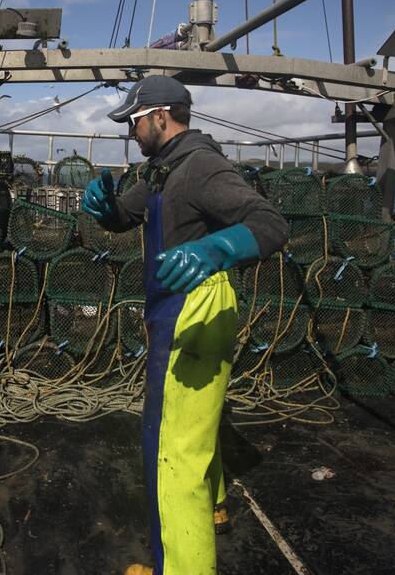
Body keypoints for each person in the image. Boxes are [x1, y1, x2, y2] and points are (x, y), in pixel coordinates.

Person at [81, 75, 288, 575]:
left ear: (160, 116)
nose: (131, 132)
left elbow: (270, 223)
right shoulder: (159, 171)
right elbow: (129, 216)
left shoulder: (200, 167)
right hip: (175, 306)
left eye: (133, 122)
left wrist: (218, 247)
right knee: (199, 422)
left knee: (170, 450)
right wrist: (108, 212)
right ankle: (215, 503)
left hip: (193, 309)